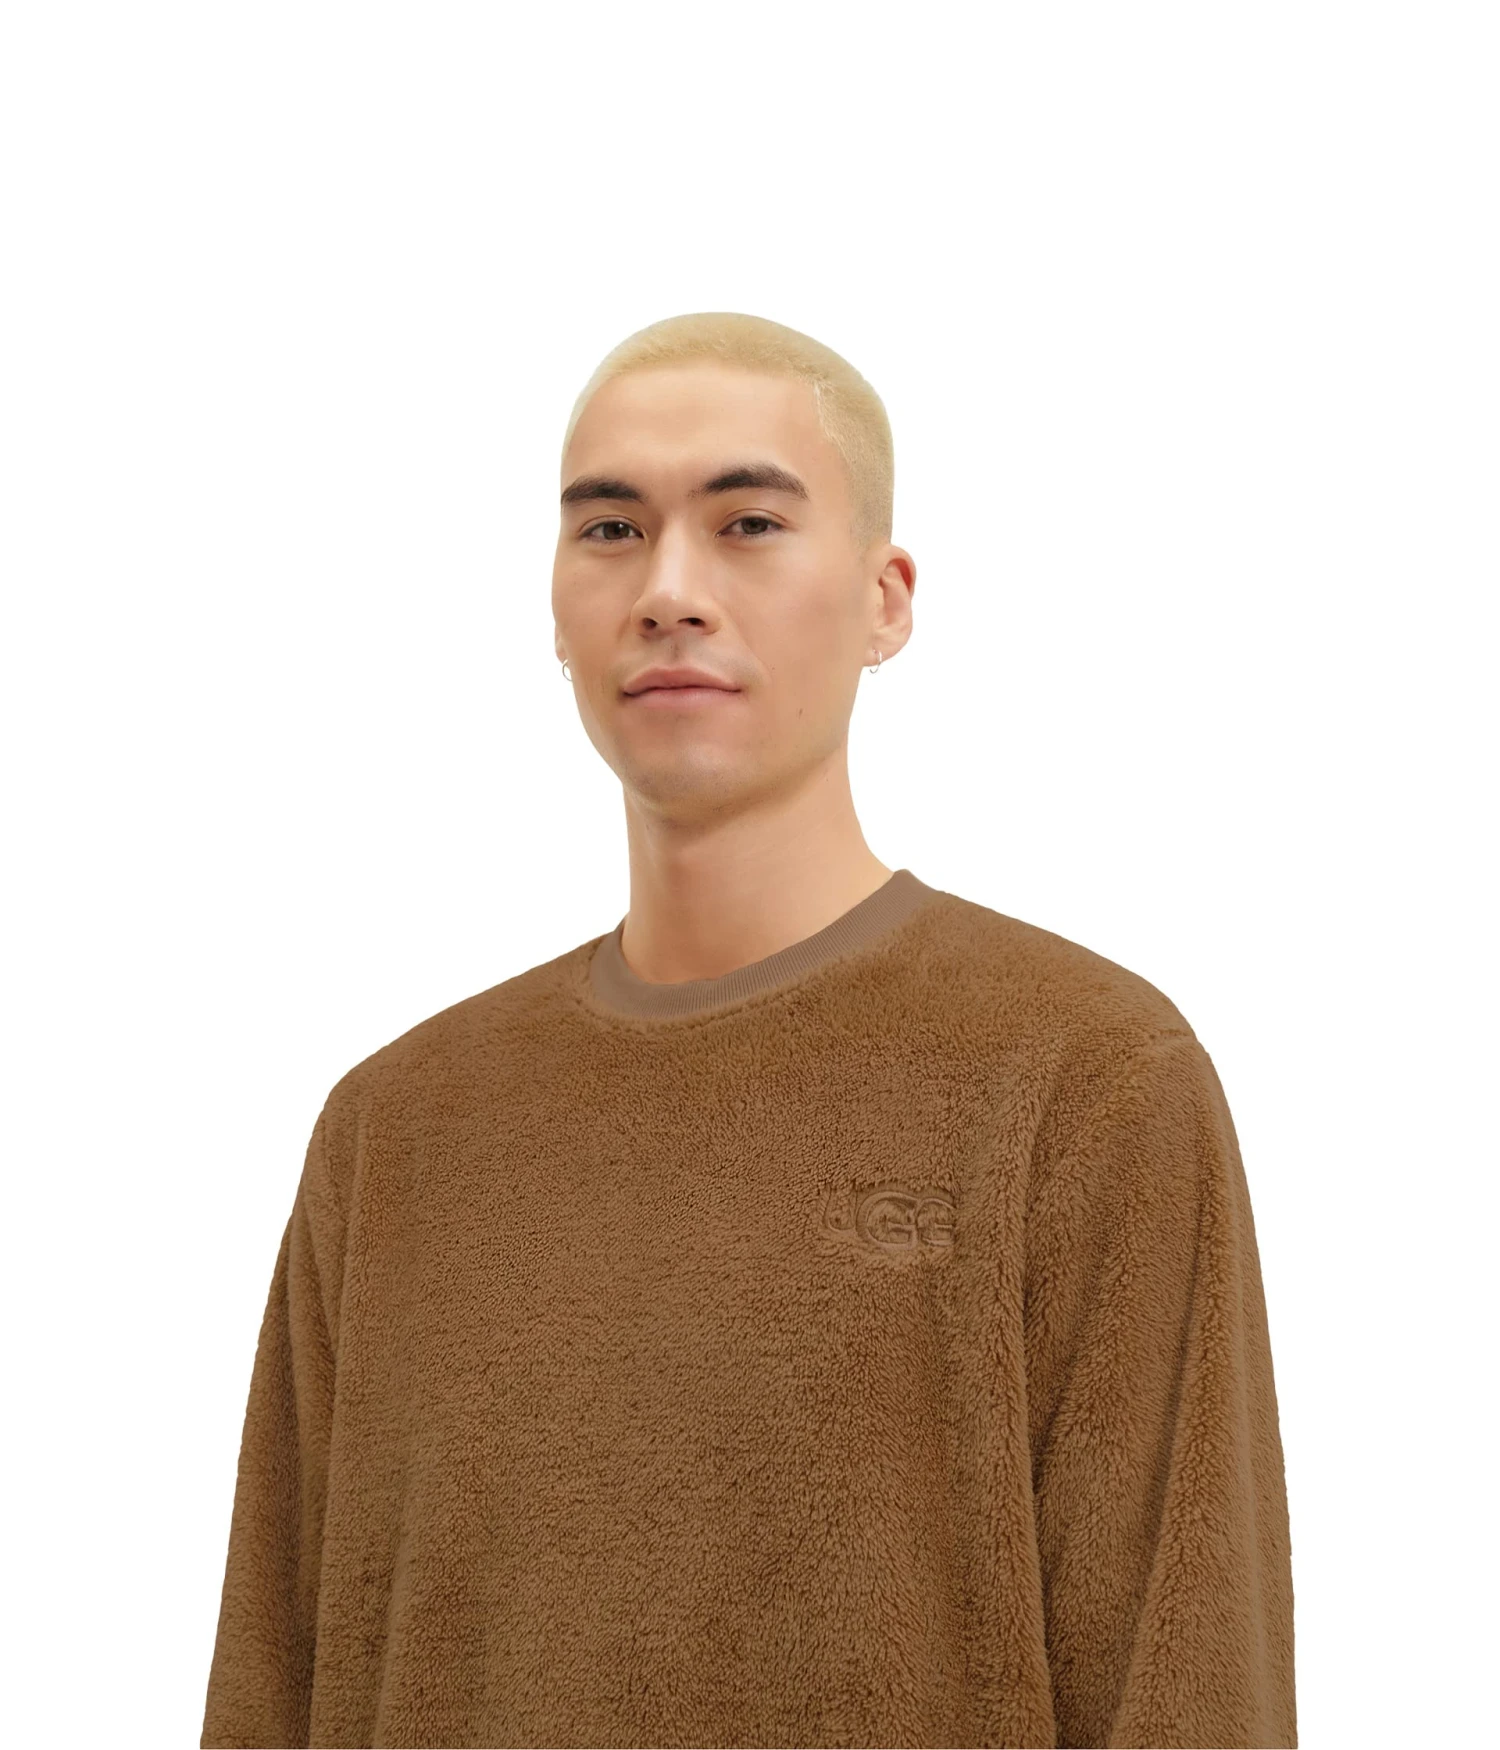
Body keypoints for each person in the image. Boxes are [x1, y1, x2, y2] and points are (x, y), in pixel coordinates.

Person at [200, 311, 1297, 1749]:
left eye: (748, 523)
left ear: (886, 600)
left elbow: (1189, 1679)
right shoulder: (394, 1132)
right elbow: (269, 1683)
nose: (669, 590)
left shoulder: (1084, 1076)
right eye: (610, 529)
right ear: (554, 602)